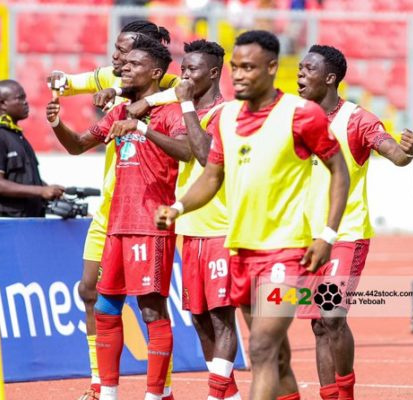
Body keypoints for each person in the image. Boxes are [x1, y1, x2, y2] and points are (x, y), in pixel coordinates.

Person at [155, 30, 350, 400]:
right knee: (276, 359)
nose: (240, 75)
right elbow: (212, 176)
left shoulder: (301, 114)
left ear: (272, 67)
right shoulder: (227, 118)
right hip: (241, 252)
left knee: (260, 347)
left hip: (285, 252)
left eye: (249, 67)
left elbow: (338, 171)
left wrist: (327, 234)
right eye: (235, 68)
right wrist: (178, 208)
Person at [46, 35, 186, 400]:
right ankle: (106, 391)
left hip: (150, 225)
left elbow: (189, 151)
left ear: (156, 72)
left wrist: (143, 127)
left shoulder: (171, 111)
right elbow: (78, 145)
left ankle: (157, 394)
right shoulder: (119, 111)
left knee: (152, 309)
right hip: (116, 223)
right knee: (105, 304)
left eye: (133, 65)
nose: (123, 69)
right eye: (123, 65)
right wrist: (57, 123)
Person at [296, 44, 413, 400]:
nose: (300, 75)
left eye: (308, 69)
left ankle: (346, 395)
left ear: (330, 78)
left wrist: (405, 152)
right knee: (318, 326)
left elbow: (393, 152)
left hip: (345, 234)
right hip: (305, 239)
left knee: (332, 316)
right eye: (299, 68)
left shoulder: (358, 119)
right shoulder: (293, 118)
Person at [166, 40, 242, 400]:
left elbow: (203, 155)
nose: (184, 76)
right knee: (198, 317)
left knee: (220, 316)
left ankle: (215, 395)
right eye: (182, 69)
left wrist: (183, 105)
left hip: (221, 229)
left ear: (213, 73)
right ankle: (228, 395)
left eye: (192, 70)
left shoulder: (227, 113)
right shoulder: (188, 111)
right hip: (191, 228)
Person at [0, 79, 64, 217]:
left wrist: (51, 190)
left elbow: (26, 179)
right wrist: (41, 191)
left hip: (25, 224)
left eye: (25, 98)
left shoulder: (17, 136)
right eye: (20, 98)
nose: (26, 102)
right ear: (2, 103)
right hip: (3, 227)